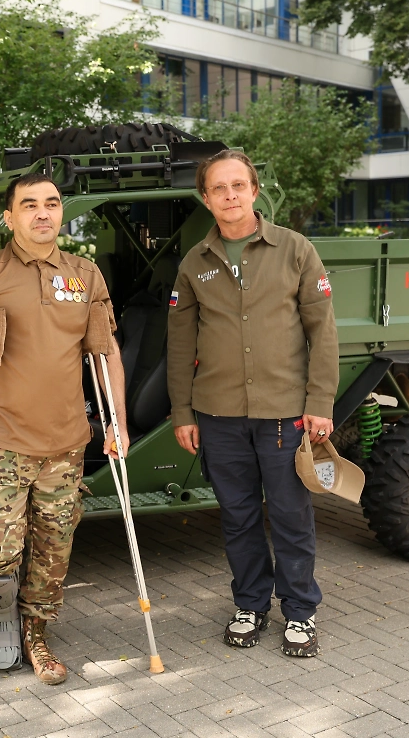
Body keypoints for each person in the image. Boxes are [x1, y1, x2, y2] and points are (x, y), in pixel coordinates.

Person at [0, 172, 127, 684]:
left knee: (52, 552)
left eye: (51, 203)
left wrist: (118, 423)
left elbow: (106, 353)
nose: (42, 213)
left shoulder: (85, 274)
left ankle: (36, 634)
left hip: (65, 446)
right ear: (10, 217)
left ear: (61, 212)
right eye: (29, 205)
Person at [167, 149, 338, 658]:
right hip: (218, 416)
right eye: (218, 188)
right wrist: (182, 412)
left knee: (290, 515)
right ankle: (250, 604)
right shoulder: (195, 263)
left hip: (285, 414)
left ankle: (301, 613)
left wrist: (320, 402)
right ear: (205, 198)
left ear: (255, 190)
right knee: (238, 517)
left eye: (238, 185)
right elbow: (180, 344)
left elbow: (322, 333)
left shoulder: (295, 250)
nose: (230, 196)